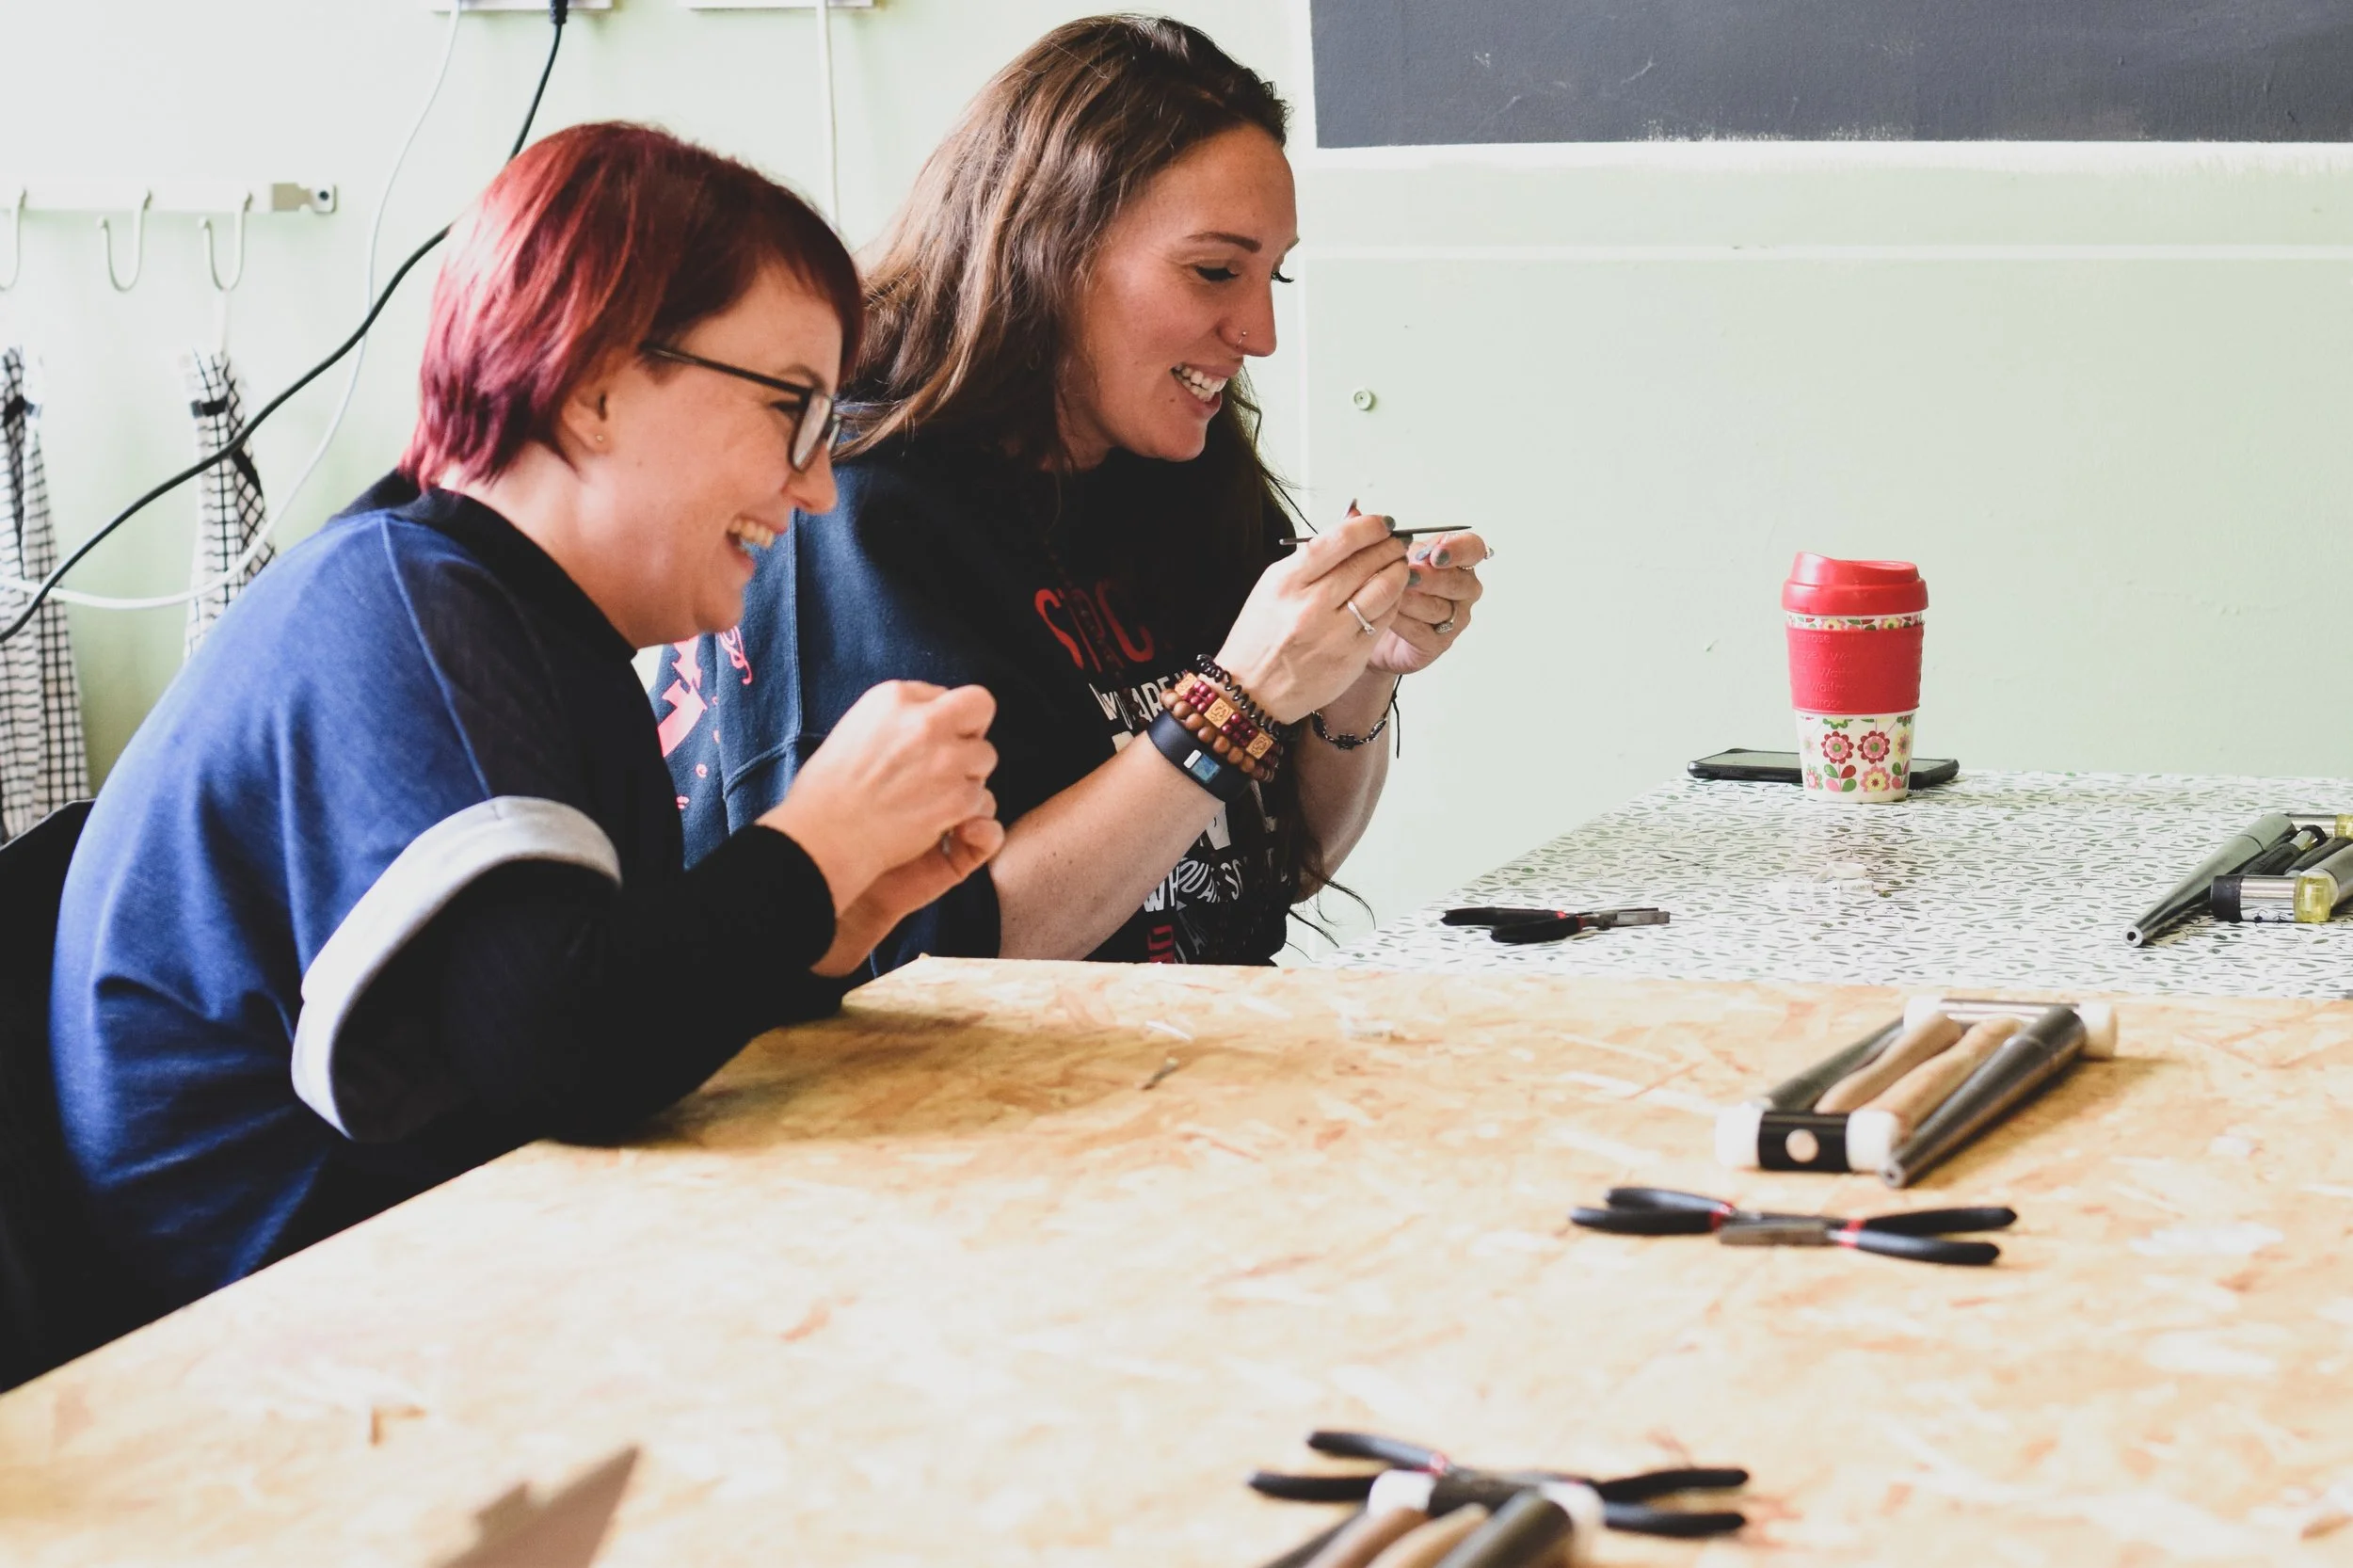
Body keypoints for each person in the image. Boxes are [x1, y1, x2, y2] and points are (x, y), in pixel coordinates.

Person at [49, 123, 1003, 1320]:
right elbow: (557, 1050)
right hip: (284, 1347)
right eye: (794, 411)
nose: (817, 485)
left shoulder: (516, 621)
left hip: (422, 1292)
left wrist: (820, 925)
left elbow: (591, 1024)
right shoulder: (408, 613)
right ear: (595, 386)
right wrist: (814, 845)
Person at [661, 16, 1488, 971]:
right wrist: (1238, 701)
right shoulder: (855, 510)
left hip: (1180, 1049)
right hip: (951, 1065)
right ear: (1049, 249)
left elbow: (1275, 870)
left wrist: (1360, 669)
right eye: (1215, 271)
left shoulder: (1176, 463)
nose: (1259, 332)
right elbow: (925, 964)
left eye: (1274, 274)